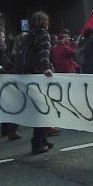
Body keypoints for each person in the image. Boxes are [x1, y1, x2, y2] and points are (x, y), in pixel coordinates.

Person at [12, 11, 55, 155]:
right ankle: (37, 142)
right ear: (44, 22)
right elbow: (44, 53)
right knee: (42, 110)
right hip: (38, 76)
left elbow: (16, 55)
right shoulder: (43, 35)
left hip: (27, 76)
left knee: (41, 109)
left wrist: (5, 68)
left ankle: (42, 139)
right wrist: (46, 69)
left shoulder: (27, 36)